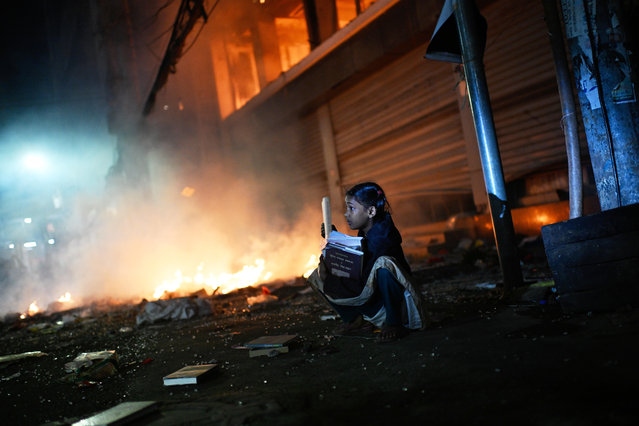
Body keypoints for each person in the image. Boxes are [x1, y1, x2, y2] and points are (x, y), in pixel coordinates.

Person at [308, 182, 426, 343]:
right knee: (318, 275)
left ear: (371, 211)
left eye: (351, 208)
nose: (346, 214)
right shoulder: (366, 231)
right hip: (372, 305)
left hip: (394, 307)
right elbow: (359, 262)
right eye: (346, 208)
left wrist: (341, 258)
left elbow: (365, 272)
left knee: (384, 266)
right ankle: (355, 321)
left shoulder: (384, 237)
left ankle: (394, 324)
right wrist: (334, 242)